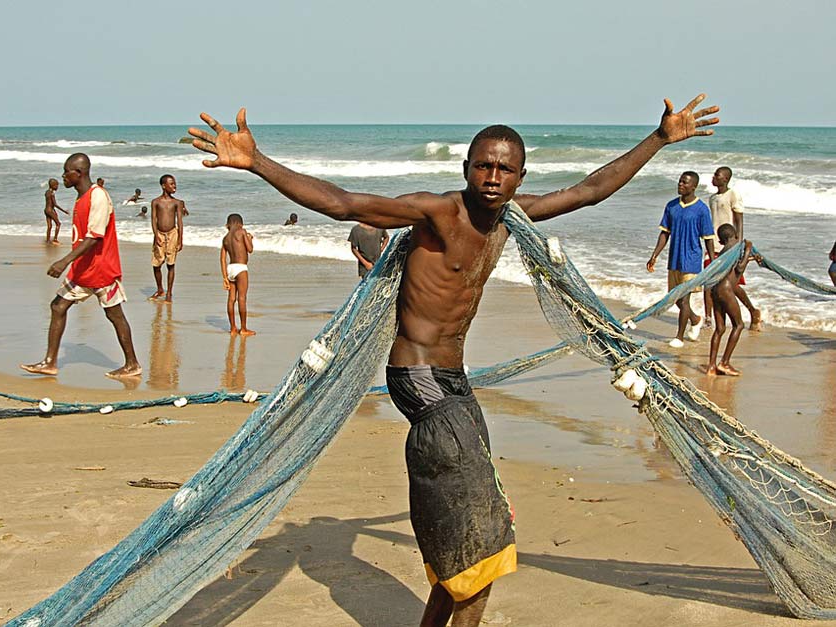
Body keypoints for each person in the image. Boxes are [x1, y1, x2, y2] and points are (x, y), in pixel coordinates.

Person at [189, 94, 718, 626]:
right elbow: (346, 203)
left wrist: (658, 139)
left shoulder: (513, 219)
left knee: (464, 538)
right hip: (416, 377)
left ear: (519, 176)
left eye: (505, 169)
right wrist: (258, 162)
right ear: (466, 169)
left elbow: (588, 192)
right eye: (483, 165)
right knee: (479, 560)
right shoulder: (440, 213)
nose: (493, 176)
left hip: (453, 380)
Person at [21, 153, 141, 379]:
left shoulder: (98, 196)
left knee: (115, 315)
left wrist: (64, 260)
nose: (62, 176)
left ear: (79, 173)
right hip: (83, 269)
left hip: (101, 269)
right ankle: (49, 362)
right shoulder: (81, 198)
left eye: (66, 172)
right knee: (58, 306)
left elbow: (94, 237)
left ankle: (132, 364)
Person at [646, 171, 717, 349]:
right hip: (674, 259)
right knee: (675, 298)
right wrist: (655, 255)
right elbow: (665, 233)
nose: (680, 185)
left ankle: (679, 337)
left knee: (684, 300)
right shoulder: (671, 206)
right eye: (679, 181)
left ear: (693, 186)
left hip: (691, 259)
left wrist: (713, 260)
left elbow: (708, 237)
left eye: (684, 183)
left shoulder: (701, 209)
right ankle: (695, 319)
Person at [705, 167, 761, 330]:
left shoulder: (733, 195)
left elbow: (739, 220)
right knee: (708, 283)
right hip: (713, 244)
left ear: (726, 179)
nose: (714, 177)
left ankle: (752, 310)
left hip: (729, 245)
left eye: (717, 175)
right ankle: (709, 320)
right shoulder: (712, 198)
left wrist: (738, 243)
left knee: (732, 285)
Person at [706, 224, 760, 376]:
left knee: (720, 329)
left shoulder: (724, 251)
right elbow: (739, 269)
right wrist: (748, 248)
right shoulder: (735, 247)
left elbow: (736, 265)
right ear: (735, 235)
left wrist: (751, 258)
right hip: (726, 290)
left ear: (721, 240)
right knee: (739, 325)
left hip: (715, 290)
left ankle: (711, 366)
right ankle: (724, 363)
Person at [149, 174, 185, 302]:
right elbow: (153, 219)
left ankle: (169, 292)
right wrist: (155, 234)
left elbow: (180, 221)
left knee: (171, 264)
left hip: (173, 234)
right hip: (159, 233)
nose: (174, 186)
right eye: (171, 184)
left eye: (174, 183)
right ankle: (160, 289)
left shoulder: (177, 203)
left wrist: (180, 239)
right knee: (156, 264)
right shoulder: (155, 202)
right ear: (164, 186)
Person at [221, 213, 255, 336]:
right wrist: (250, 239)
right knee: (242, 298)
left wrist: (225, 277)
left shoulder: (225, 238)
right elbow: (250, 249)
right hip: (241, 268)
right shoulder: (242, 232)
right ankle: (244, 328)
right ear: (240, 223)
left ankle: (233, 328)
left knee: (231, 299)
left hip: (230, 268)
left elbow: (222, 258)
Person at [44, 178, 69, 244]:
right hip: (50, 210)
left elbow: (49, 203)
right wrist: (64, 211)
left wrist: (53, 210)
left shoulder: (47, 192)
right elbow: (55, 204)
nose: (57, 187)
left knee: (49, 226)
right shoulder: (52, 193)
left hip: (46, 210)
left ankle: (48, 240)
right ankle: (55, 239)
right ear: (52, 185)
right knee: (58, 224)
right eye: (56, 185)